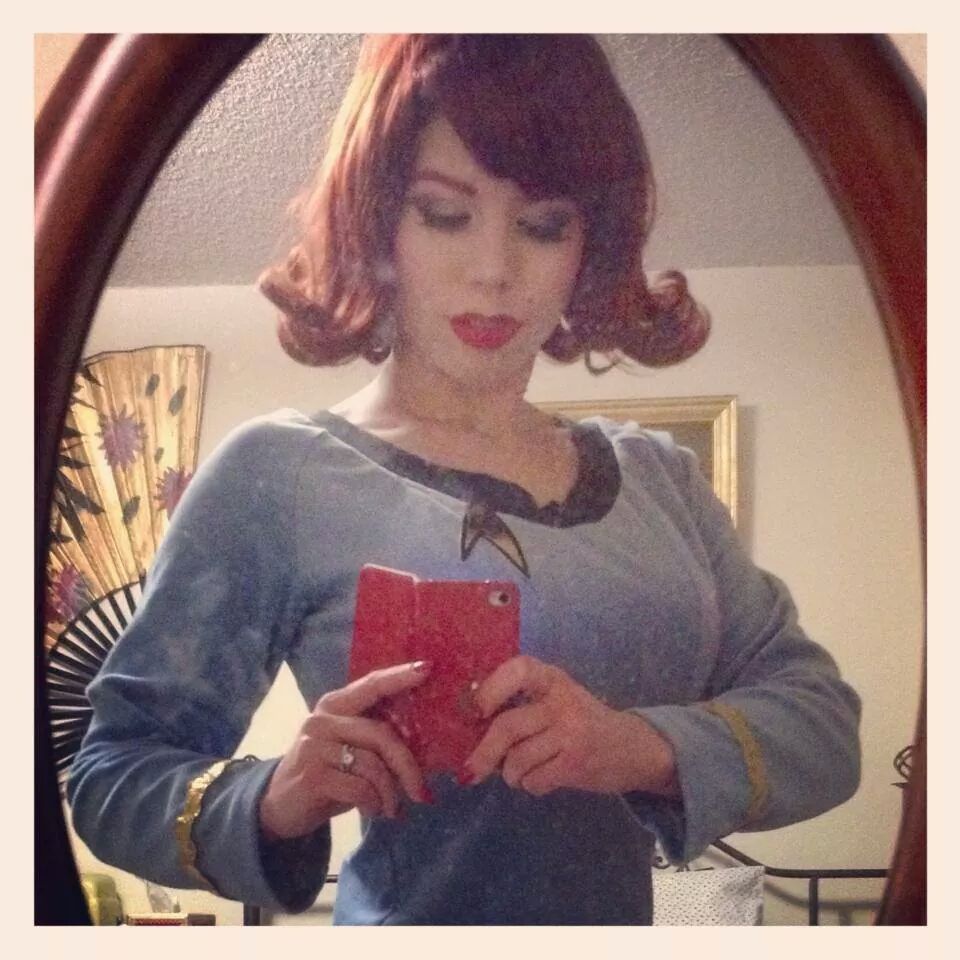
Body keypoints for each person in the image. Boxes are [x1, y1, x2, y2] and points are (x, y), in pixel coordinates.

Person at [68, 34, 861, 925]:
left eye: (544, 225)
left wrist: (635, 746)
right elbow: (112, 775)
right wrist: (278, 796)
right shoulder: (277, 475)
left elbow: (823, 728)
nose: (494, 270)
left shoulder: (662, 483)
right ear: (378, 223)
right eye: (445, 214)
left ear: (588, 245)